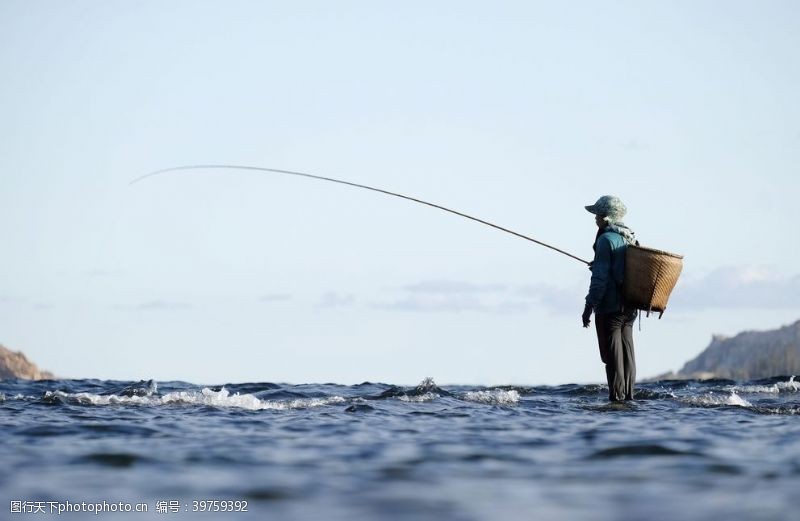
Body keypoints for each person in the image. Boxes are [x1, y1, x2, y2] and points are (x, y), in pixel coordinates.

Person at [581, 195, 639, 401]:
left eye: (597, 214)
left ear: (606, 218)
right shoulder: (629, 237)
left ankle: (616, 400)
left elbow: (600, 280)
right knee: (627, 354)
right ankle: (630, 399)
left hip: (610, 307)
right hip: (630, 307)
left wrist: (589, 306)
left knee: (612, 358)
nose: (595, 218)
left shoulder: (605, 240)